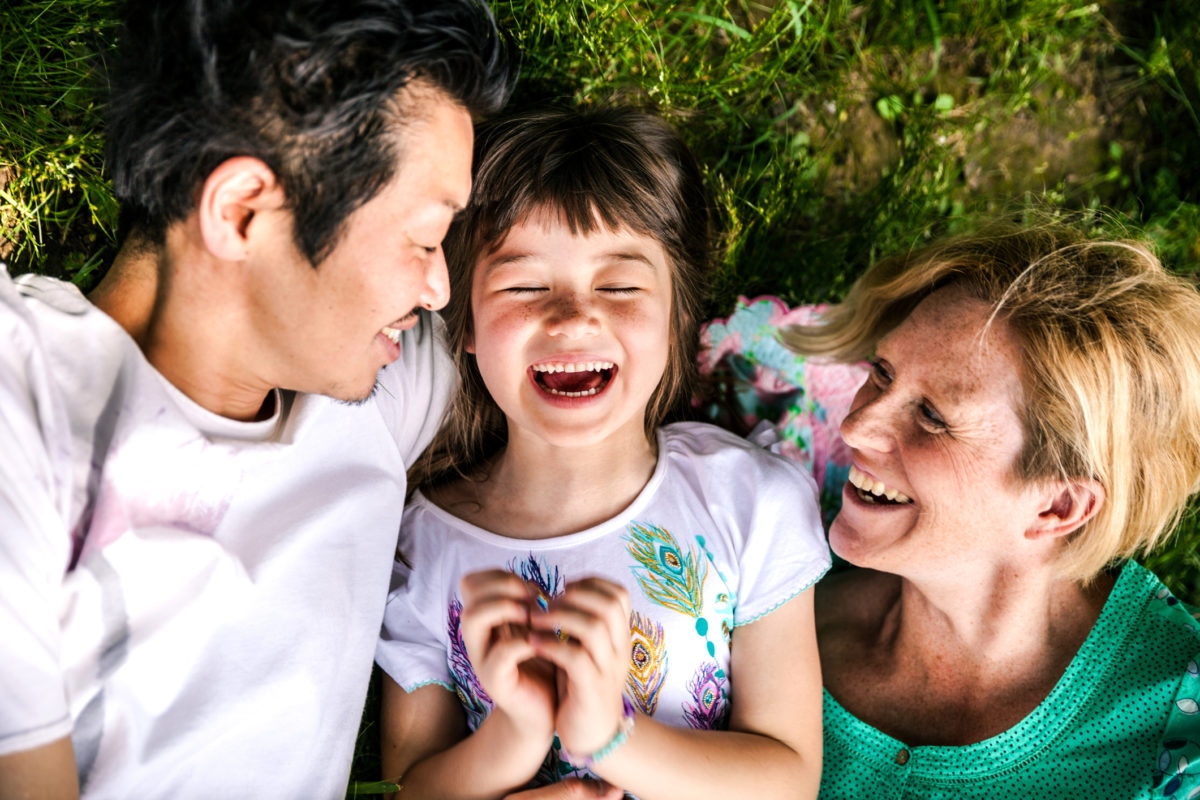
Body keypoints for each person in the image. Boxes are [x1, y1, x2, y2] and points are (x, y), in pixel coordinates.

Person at [0, 0, 512, 796]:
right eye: (422, 239)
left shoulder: (374, 389)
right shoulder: (19, 397)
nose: (442, 288)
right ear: (240, 212)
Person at [374, 106, 830, 799]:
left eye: (618, 286)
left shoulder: (750, 503)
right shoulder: (422, 546)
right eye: (524, 285)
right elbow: (410, 786)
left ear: (678, 319)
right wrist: (516, 732)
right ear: (463, 323)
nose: (573, 316)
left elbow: (788, 778)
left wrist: (610, 738)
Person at [780, 219, 1200, 798]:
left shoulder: (1179, 730)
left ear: (1057, 505)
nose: (856, 426)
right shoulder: (766, 609)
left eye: (932, 417)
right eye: (882, 373)